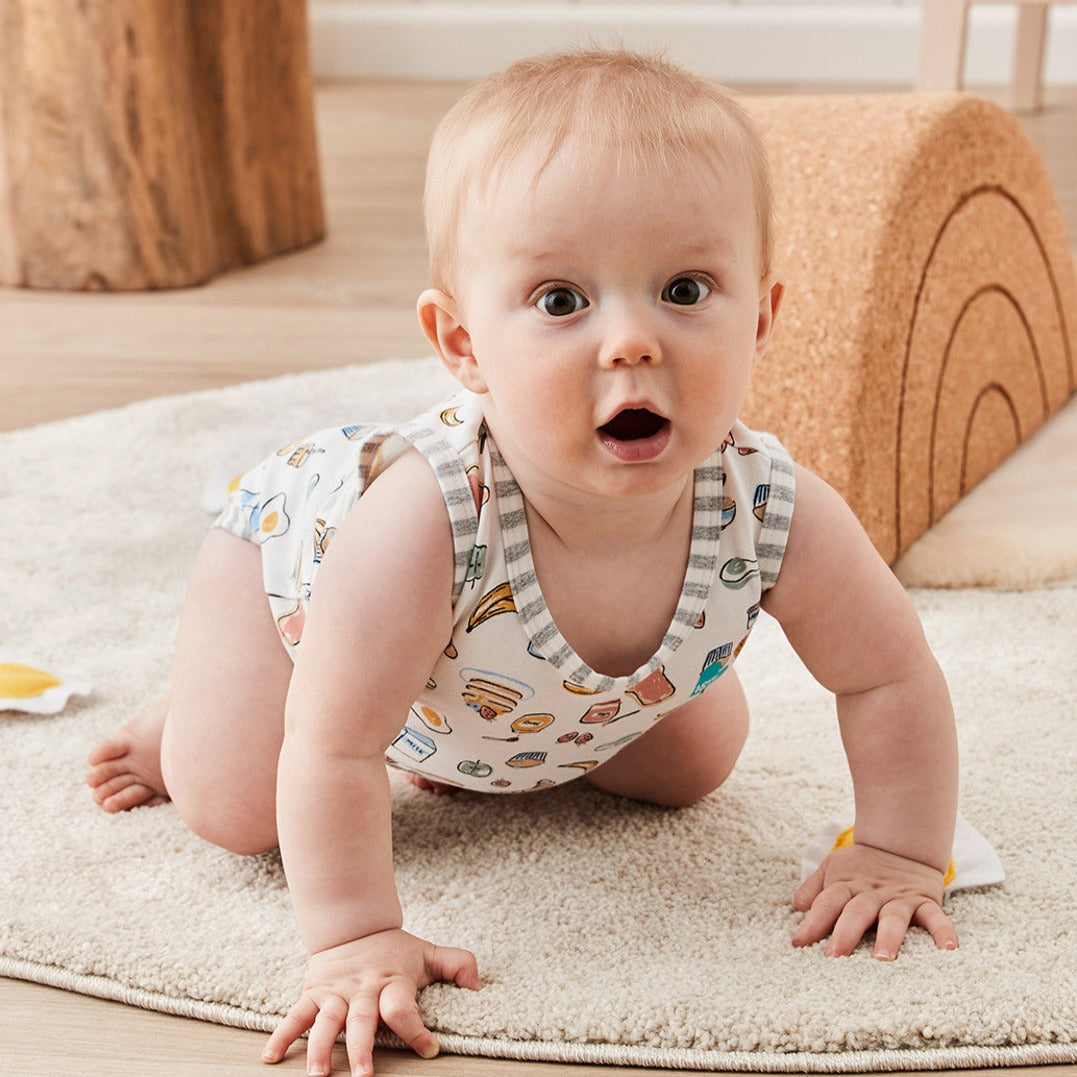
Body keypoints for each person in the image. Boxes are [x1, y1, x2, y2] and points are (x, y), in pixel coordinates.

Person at [86, 49, 960, 1077]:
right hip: (297, 598)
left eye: (685, 288)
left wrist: (901, 851)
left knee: (694, 763)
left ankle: (493, 747)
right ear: (461, 343)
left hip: (503, 698)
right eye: (559, 301)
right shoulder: (422, 521)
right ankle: (181, 716)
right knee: (236, 801)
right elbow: (331, 749)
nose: (631, 341)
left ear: (761, 318)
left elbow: (888, 673)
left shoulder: (771, 505)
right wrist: (357, 938)